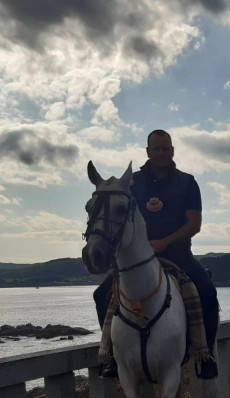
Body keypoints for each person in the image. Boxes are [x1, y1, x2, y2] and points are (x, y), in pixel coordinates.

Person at [94, 129, 219, 380]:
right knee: (101, 295)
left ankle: (205, 358)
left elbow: (194, 224)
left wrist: (164, 242)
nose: (161, 153)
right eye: (156, 148)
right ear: (148, 151)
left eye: (165, 148)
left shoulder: (187, 182)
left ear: (172, 151)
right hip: (137, 257)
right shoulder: (133, 183)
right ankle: (113, 357)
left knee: (206, 292)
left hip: (177, 253)